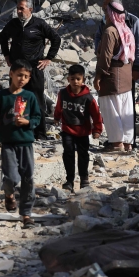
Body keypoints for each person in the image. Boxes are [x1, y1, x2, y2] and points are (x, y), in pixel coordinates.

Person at [0, 61, 43, 228]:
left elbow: (38, 118)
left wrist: (28, 122)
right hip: (8, 144)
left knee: (28, 178)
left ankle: (26, 214)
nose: (22, 79)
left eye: (26, 76)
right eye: (19, 75)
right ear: (11, 74)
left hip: (26, 143)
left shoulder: (29, 96)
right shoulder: (2, 96)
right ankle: (9, 195)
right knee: (11, 177)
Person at [0, 0, 61, 140]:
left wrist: (48, 58)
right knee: (16, 100)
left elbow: (56, 39)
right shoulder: (13, 24)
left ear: (30, 9)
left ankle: (40, 134)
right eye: (18, 8)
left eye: (22, 8)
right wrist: (6, 55)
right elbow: (3, 37)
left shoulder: (39, 24)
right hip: (17, 69)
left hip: (34, 69)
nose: (19, 11)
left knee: (37, 101)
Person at [94, 0, 139, 150]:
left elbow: (105, 57)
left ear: (111, 13)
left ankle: (117, 143)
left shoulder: (110, 31)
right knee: (125, 110)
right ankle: (128, 143)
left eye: (106, 10)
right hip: (125, 76)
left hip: (112, 76)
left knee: (111, 109)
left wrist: (98, 75)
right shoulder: (125, 29)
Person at [54, 64, 103, 193]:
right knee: (68, 153)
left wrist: (97, 130)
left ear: (83, 80)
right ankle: (69, 181)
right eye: (72, 79)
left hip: (83, 131)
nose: (75, 81)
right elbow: (59, 107)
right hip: (67, 129)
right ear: (68, 79)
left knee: (83, 155)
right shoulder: (63, 93)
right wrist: (56, 117)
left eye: (78, 79)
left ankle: (84, 179)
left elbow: (96, 114)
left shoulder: (88, 98)